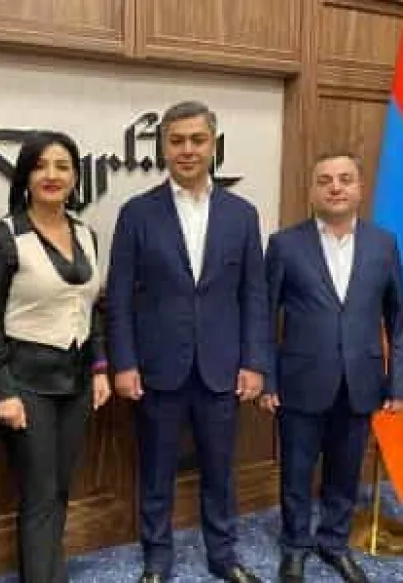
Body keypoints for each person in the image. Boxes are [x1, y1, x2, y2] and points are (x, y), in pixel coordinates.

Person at [107, 101, 269, 583]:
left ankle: (223, 555)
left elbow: (254, 295)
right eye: (176, 140)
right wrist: (124, 362)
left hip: (222, 368)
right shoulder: (137, 213)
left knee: (220, 471)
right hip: (157, 369)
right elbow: (119, 296)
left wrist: (255, 361)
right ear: (163, 147)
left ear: (213, 144)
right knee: (156, 471)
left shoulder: (242, 214)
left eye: (197, 139)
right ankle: (157, 558)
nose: (187, 150)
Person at [261, 152, 403, 583]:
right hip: (299, 382)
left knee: (346, 473)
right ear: (311, 191)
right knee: (296, 473)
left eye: (345, 179)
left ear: (360, 188)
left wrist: (400, 383)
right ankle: (295, 546)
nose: (335, 187)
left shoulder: (384, 244)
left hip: (361, 381)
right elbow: (263, 317)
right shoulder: (285, 245)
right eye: (325, 180)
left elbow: (399, 318)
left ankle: (334, 544)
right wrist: (266, 378)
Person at [0, 130, 111, 583]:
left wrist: (100, 368)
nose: (51, 175)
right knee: (38, 495)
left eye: (62, 166)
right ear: (25, 176)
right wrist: (2, 390)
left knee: (59, 490)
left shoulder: (86, 234)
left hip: (77, 382)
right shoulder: (5, 237)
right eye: (40, 166)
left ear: (75, 177)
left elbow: (92, 309)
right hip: (26, 383)